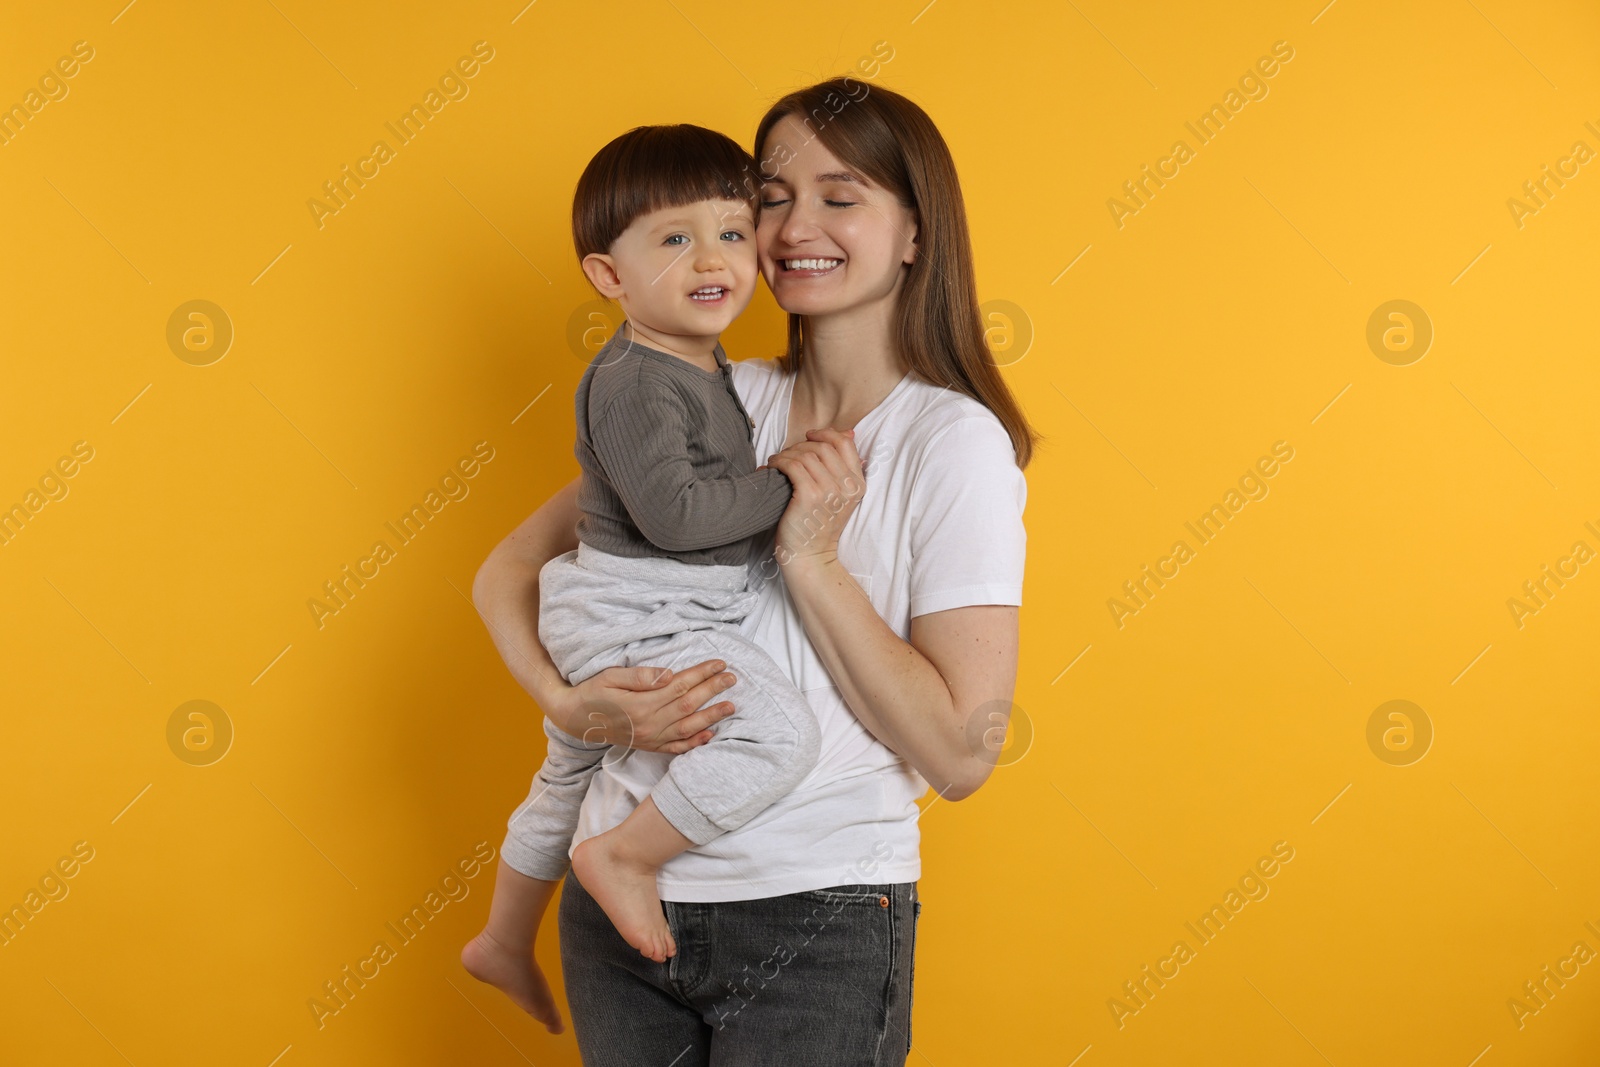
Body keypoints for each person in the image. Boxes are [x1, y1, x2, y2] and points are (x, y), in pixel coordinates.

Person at [471, 78, 1038, 1064]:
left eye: (841, 195)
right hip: (616, 922)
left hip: (813, 913)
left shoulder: (951, 442)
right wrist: (565, 704)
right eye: (770, 197)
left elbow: (960, 753)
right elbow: (509, 567)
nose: (792, 227)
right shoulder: (714, 390)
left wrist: (811, 555)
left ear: (914, 233)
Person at [463, 123, 837, 988]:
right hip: (643, 607)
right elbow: (674, 515)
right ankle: (625, 857)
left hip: (627, 604)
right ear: (609, 276)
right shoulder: (635, 377)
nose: (714, 260)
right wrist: (787, 481)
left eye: (732, 233)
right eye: (676, 239)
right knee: (778, 737)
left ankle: (502, 940)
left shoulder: (702, 364)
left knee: (567, 772)